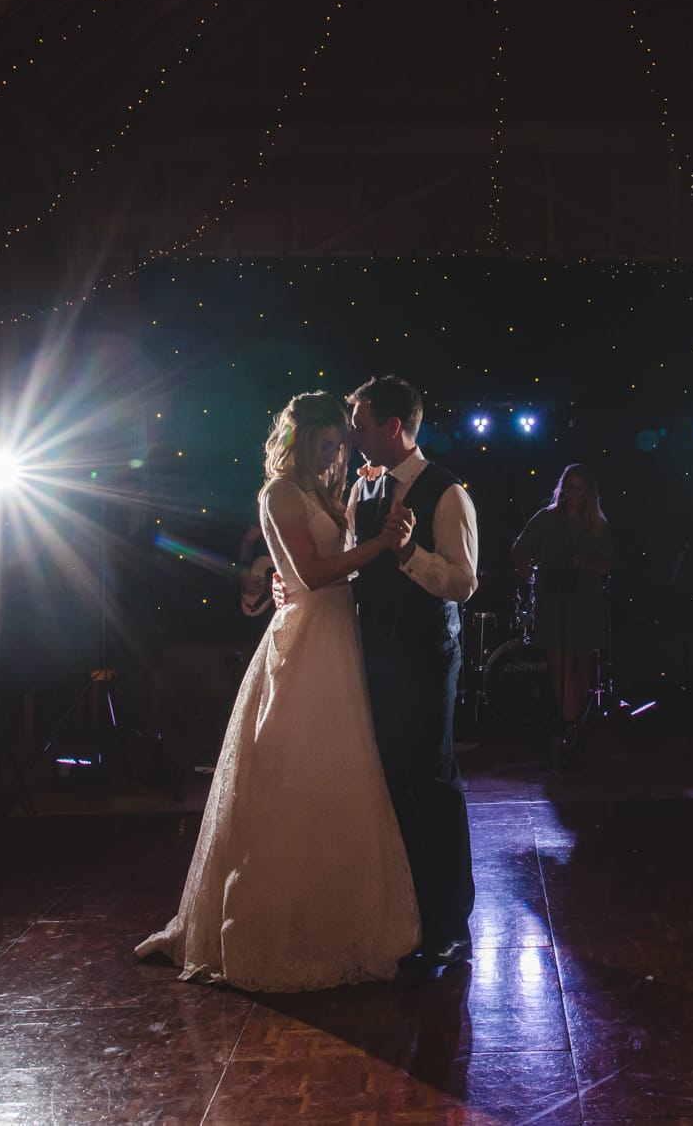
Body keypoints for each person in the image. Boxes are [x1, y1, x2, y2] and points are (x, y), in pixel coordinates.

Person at [135, 391, 420, 990]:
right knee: (294, 770)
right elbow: (312, 574)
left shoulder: (322, 491)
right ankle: (273, 925)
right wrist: (382, 546)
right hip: (308, 637)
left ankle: (337, 917)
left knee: (343, 770)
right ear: (299, 439)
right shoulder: (280, 493)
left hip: (339, 633)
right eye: (325, 443)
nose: (335, 453)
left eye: (339, 444)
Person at [345, 374, 480, 976]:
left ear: (393, 428)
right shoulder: (363, 486)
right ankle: (407, 915)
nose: (354, 436)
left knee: (432, 781)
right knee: (394, 783)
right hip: (375, 654)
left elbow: (462, 583)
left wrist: (408, 554)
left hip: (427, 655)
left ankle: (450, 925)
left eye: (363, 424)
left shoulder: (447, 493)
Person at [511, 463, 615, 764]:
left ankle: (574, 720)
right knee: (559, 661)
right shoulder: (547, 518)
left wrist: (587, 565)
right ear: (563, 488)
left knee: (581, 661)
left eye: (581, 488)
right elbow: (520, 547)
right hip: (553, 597)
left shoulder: (596, 523)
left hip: (585, 598)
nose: (574, 493)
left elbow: (609, 562)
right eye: (570, 487)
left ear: (589, 492)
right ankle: (569, 723)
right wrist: (524, 569)